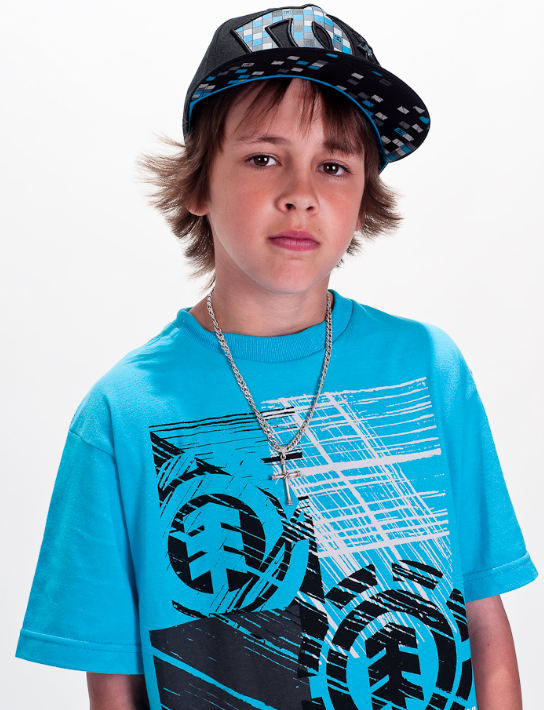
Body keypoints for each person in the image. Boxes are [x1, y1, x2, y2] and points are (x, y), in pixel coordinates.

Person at [15, 5, 538, 710]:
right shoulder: (123, 414)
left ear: (363, 196)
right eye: (264, 158)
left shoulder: (428, 368)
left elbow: (483, 619)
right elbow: (115, 685)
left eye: (333, 165)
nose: (301, 195)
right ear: (198, 184)